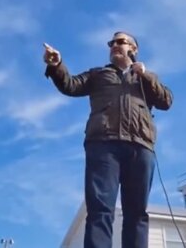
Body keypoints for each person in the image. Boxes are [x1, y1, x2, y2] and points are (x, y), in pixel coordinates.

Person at [43, 31, 173, 248]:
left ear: (133, 48)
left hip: (140, 148)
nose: (114, 45)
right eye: (111, 42)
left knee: (137, 213)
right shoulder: (98, 74)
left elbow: (166, 101)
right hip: (104, 146)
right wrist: (57, 66)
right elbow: (70, 85)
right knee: (100, 209)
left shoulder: (145, 77)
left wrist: (145, 75)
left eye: (120, 41)